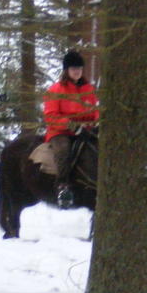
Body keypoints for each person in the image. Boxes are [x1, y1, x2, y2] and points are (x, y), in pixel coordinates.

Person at [43, 50, 99, 208]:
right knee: (63, 151)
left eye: (79, 69)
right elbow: (51, 116)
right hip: (61, 131)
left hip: (86, 129)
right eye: (74, 69)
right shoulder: (55, 90)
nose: (77, 72)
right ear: (66, 70)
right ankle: (63, 186)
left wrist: (96, 122)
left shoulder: (89, 89)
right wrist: (71, 125)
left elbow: (95, 111)